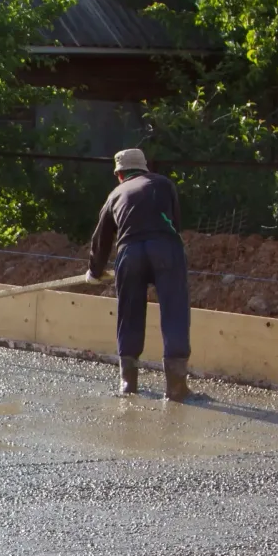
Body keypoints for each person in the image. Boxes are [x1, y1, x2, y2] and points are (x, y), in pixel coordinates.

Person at [89, 148, 191, 400]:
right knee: (174, 311)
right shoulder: (163, 184)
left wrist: (95, 270)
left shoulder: (115, 194)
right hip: (165, 249)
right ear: (145, 168)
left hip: (130, 252)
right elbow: (176, 223)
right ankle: (176, 387)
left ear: (119, 175)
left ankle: (128, 382)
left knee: (129, 312)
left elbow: (101, 238)